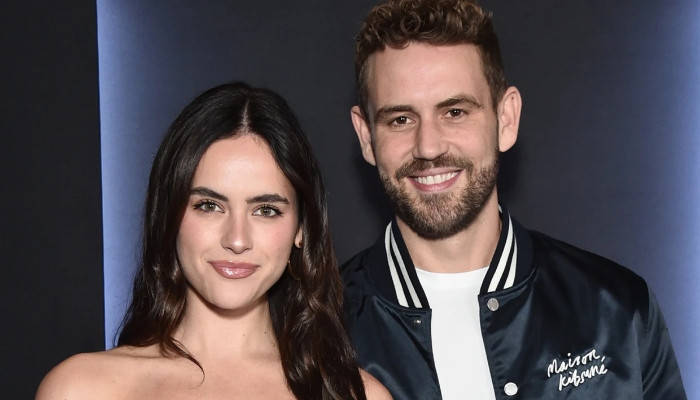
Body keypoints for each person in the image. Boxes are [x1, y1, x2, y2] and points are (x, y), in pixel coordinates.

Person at [341, 0, 687, 399]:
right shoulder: (316, 330)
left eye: (455, 112)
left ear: (505, 119)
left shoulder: (616, 309)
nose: (429, 146)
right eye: (400, 119)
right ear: (366, 136)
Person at [36, 82, 391, 400]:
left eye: (266, 210)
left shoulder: (355, 395)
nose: (236, 239)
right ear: (170, 215)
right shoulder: (81, 389)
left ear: (302, 227)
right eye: (209, 206)